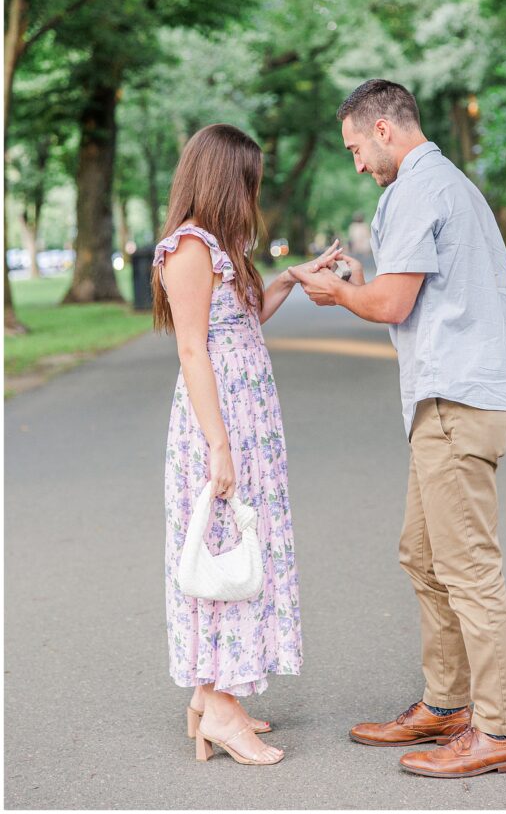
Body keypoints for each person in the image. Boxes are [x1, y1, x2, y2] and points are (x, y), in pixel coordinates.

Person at [289, 80, 506, 778]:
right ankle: (448, 705)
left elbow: (392, 305)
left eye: (356, 147)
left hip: (454, 402)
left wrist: (340, 292)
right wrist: (361, 281)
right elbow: (414, 290)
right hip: (448, 400)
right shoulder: (445, 185)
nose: (356, 163)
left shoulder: (414, 189)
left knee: (467, 571)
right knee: (423, 557)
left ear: (384, 130)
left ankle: (500, 730)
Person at [151, 123, 342, 767]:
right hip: (220, 420)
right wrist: (220, 447)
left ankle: (213, 698)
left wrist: (288, 278)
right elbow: (191, 347)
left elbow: (239, 324)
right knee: (226, 552)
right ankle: (221, 708)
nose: (255, 191)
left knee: (242, 548)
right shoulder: (188, 248)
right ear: (225, 179)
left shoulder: (220, 246)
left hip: (245, 416)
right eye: (250, 179)